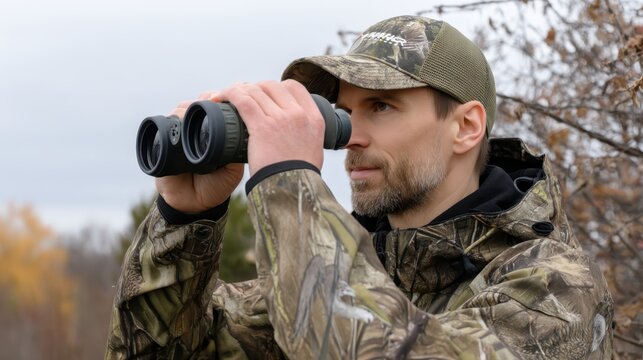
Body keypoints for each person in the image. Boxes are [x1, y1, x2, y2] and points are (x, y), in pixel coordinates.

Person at [106, 15, 613, 359]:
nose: (352, 137)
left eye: (382, 106)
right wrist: (185, 220)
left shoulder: (555, 290)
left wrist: (286, 181)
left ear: (465, 127)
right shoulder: (337, 272)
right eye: (343, 115)